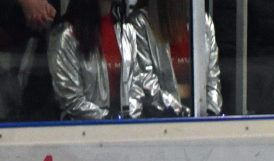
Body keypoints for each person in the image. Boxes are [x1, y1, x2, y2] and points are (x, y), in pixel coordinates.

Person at [49, 0, 189, 119]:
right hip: (82, 135)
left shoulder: (126, 30)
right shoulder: (66, 35)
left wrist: (129, 120)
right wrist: (108, 120)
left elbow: (136, 85)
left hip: (124, 135)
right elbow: (70, 99)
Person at [142, 0, 223, 116]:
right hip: (159, 120)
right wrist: (182, 111)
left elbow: (213, 78)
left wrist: (210, 114)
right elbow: (147, 85)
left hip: (201, 119)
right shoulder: (143, 23)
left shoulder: (203, 21)